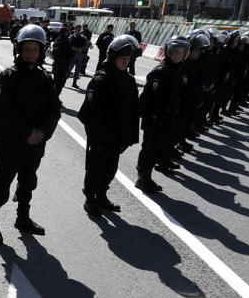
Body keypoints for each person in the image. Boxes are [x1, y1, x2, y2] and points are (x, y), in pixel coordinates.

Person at [0, 24, 60, 243]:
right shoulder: (7, 77)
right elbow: (2, 112)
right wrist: (26, 133)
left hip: (35, 143)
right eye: (26, 49)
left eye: (35, 50)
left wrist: (42, 132)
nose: (30, 54)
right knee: (1, 186)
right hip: (10, 142)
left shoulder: (45, 78)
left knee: (28, 183)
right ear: (19, 49)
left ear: (41, 51)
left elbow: (55, 109)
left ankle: (23, 218)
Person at [78, 34, 140, 216]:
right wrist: (96, 138)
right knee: (94, 171)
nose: (125, 62)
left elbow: (134, 111)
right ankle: (90, 199)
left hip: (117, 137)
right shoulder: (101, 80)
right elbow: (88, 114)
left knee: (110, 170)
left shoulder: (129, 80)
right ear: (113, 58)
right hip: (101, 138)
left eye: (128, 59)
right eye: (122, 58)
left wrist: (129, 137)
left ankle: (102, 196)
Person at [135, 35, 190, 194]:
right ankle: (142, 178)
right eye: (175, 52)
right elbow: (147, 98)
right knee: (149, 149)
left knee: (159, 149)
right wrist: (146, 117)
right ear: (168, 52)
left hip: (168, 117)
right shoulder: (161, 71)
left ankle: (148, 176)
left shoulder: (177, 69)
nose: (177, 55)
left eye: (181, 53)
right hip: (155, 118)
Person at [50, 25, 74, 93]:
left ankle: (53, 97)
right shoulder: (66, 41)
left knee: (55, 81)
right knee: (60, 83)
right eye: (66, 32)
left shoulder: (57, 41)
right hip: (63, 64)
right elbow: (71, 53)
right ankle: (55, 98)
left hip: (56, 64)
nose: (67, 34)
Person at [69, 24, 88, 88]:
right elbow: (69, 45)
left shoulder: (83, 37)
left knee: (77, 71)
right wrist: (77, 49)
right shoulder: (71, 36)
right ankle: (63, 80)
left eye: (80, 29)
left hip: (80, 56)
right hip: (73, 55)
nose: (79, 30)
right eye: (77, 29)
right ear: (75, 29)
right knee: (69, 70)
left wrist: (81, 49)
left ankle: (74, 83)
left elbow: (86, 45)